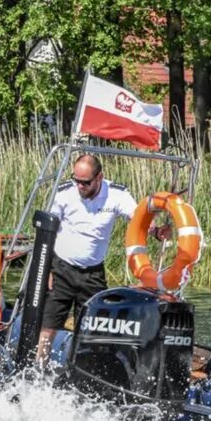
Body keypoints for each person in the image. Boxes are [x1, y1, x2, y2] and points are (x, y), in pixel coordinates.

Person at [37, 154, 167, 365]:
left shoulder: (116, 194)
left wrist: (155, 231)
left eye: (85, 182)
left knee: (91, 326)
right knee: (49, 324)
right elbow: (46, 231)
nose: (80, 186)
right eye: (76, 180)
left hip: (93, 272)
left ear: (99, 177)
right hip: (61, 267)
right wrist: (47, 269)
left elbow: (137, 217)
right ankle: (38, 369)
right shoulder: (64, 193)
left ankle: (80, 370)